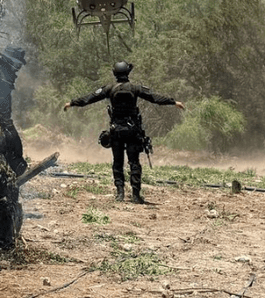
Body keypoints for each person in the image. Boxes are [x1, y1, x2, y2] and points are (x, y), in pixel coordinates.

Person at [64, 61, 184, 203]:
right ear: (128, 73)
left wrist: (72, 103)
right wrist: (173, 102)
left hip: (116, 131)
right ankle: (136, 195)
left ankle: (120, 194)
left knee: (118, 162)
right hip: (133, 131)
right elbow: (155, 97)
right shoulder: (135, 88)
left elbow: (89, 98)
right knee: (134, 163)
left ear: (115, 73)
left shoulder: (109, 88)